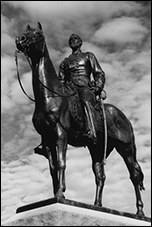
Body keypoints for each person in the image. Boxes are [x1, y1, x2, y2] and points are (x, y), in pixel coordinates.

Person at [58, 34, 105, 144]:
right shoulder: (64, 62)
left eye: (75, 39)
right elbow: (61, 80)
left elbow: (99, 73)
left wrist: (98, 86)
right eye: (71, 40)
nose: (73, 41)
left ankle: (91, 131)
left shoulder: (88, 56)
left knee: (86, 101)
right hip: (69, 89)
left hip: (84, 86)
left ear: (80, 42)